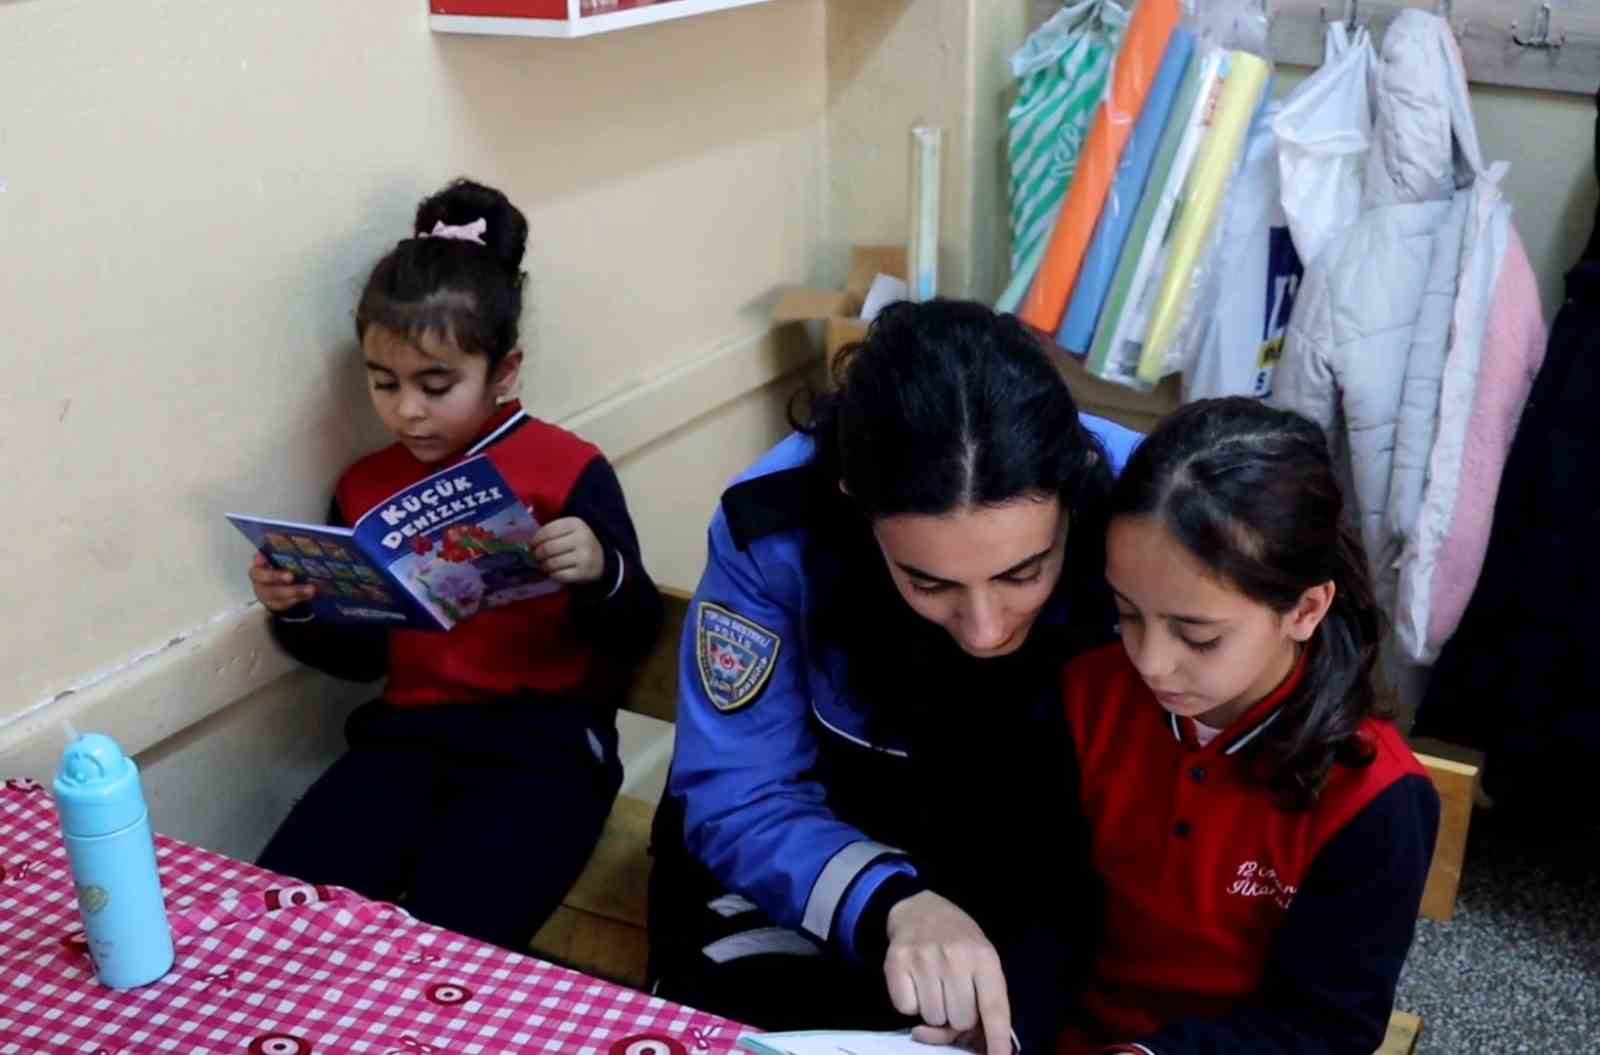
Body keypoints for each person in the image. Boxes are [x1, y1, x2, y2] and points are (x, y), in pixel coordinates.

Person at [648, 299, 1141, 1055]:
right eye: (929, 581)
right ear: (854, 498)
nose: (986, 629)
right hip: (821, 851)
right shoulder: (772, 529)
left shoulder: (1155, 510)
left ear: (1073, 495)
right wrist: (889, 902)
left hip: (1042, 854)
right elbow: (738, 791)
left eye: (1024, 573)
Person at [249, 178, 663, 952]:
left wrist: (600, 566)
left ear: (503, 373)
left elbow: (634, 627)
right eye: (384, 383)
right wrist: (300, 605)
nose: (408, 410)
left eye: (437, 386)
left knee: (450, 943)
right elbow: (360, 655)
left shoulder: (564, 468)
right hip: (407, 739)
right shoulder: (365, 483)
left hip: (545, 750)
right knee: (284, 911)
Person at [1060, 397, 1440, 1054]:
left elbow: (1326, 1026)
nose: (1150, 661)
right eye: (1127, 612)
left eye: (1198, 635)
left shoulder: (1373, 797)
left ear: (1305, 609)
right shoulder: (1085, 694)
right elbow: (1039, 906)